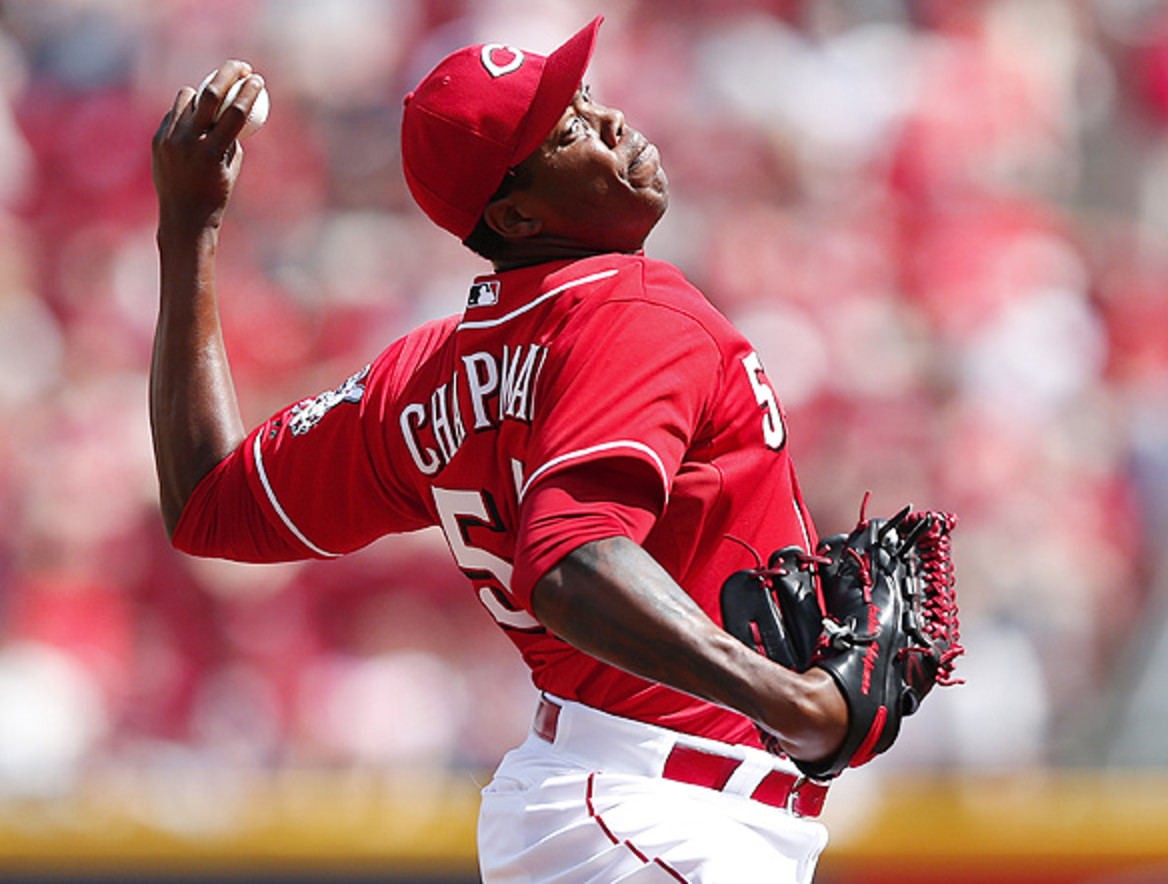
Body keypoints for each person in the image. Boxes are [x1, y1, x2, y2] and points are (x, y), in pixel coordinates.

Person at [150, 16, 848, 883]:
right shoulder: (632, 310)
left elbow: (209, 500)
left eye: (587, 99)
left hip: (617, 809)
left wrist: (189, 232)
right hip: (654, 813)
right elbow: (572, 564)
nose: (610, 124)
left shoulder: (423, 373)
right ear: (516, 215)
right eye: (567, 132)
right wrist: (794, 701)